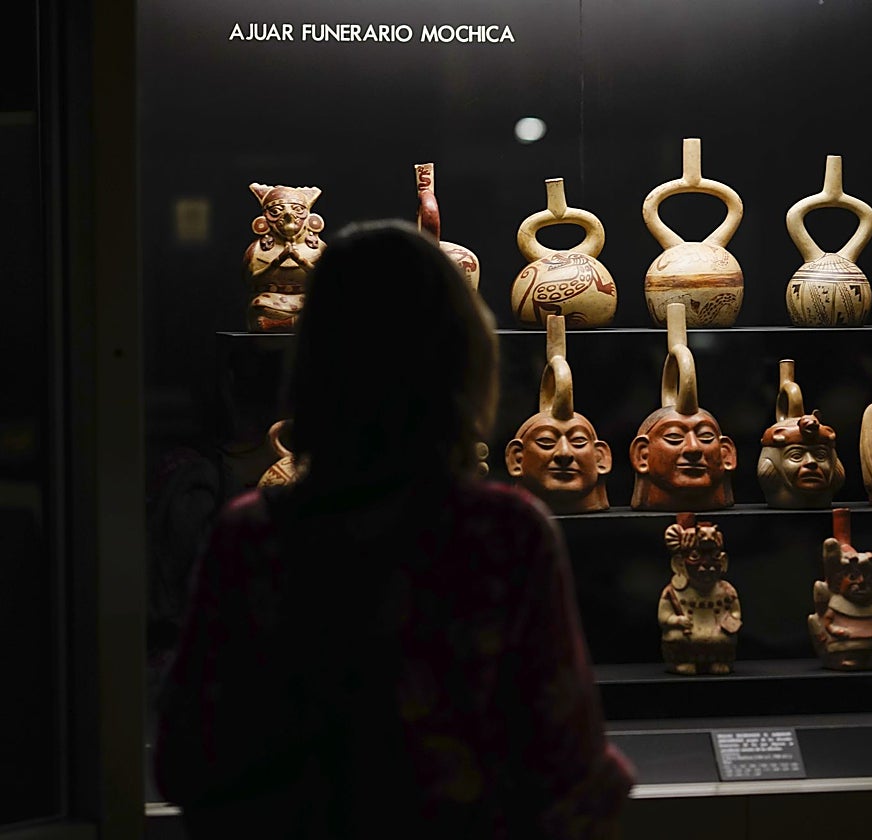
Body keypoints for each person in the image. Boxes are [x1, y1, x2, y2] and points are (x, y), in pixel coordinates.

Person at [154, 219, 635, 838]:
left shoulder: (253, 538)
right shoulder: (502, 534)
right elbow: (570, 768)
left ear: (316, 362)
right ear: (465, 360)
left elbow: (187, 759)